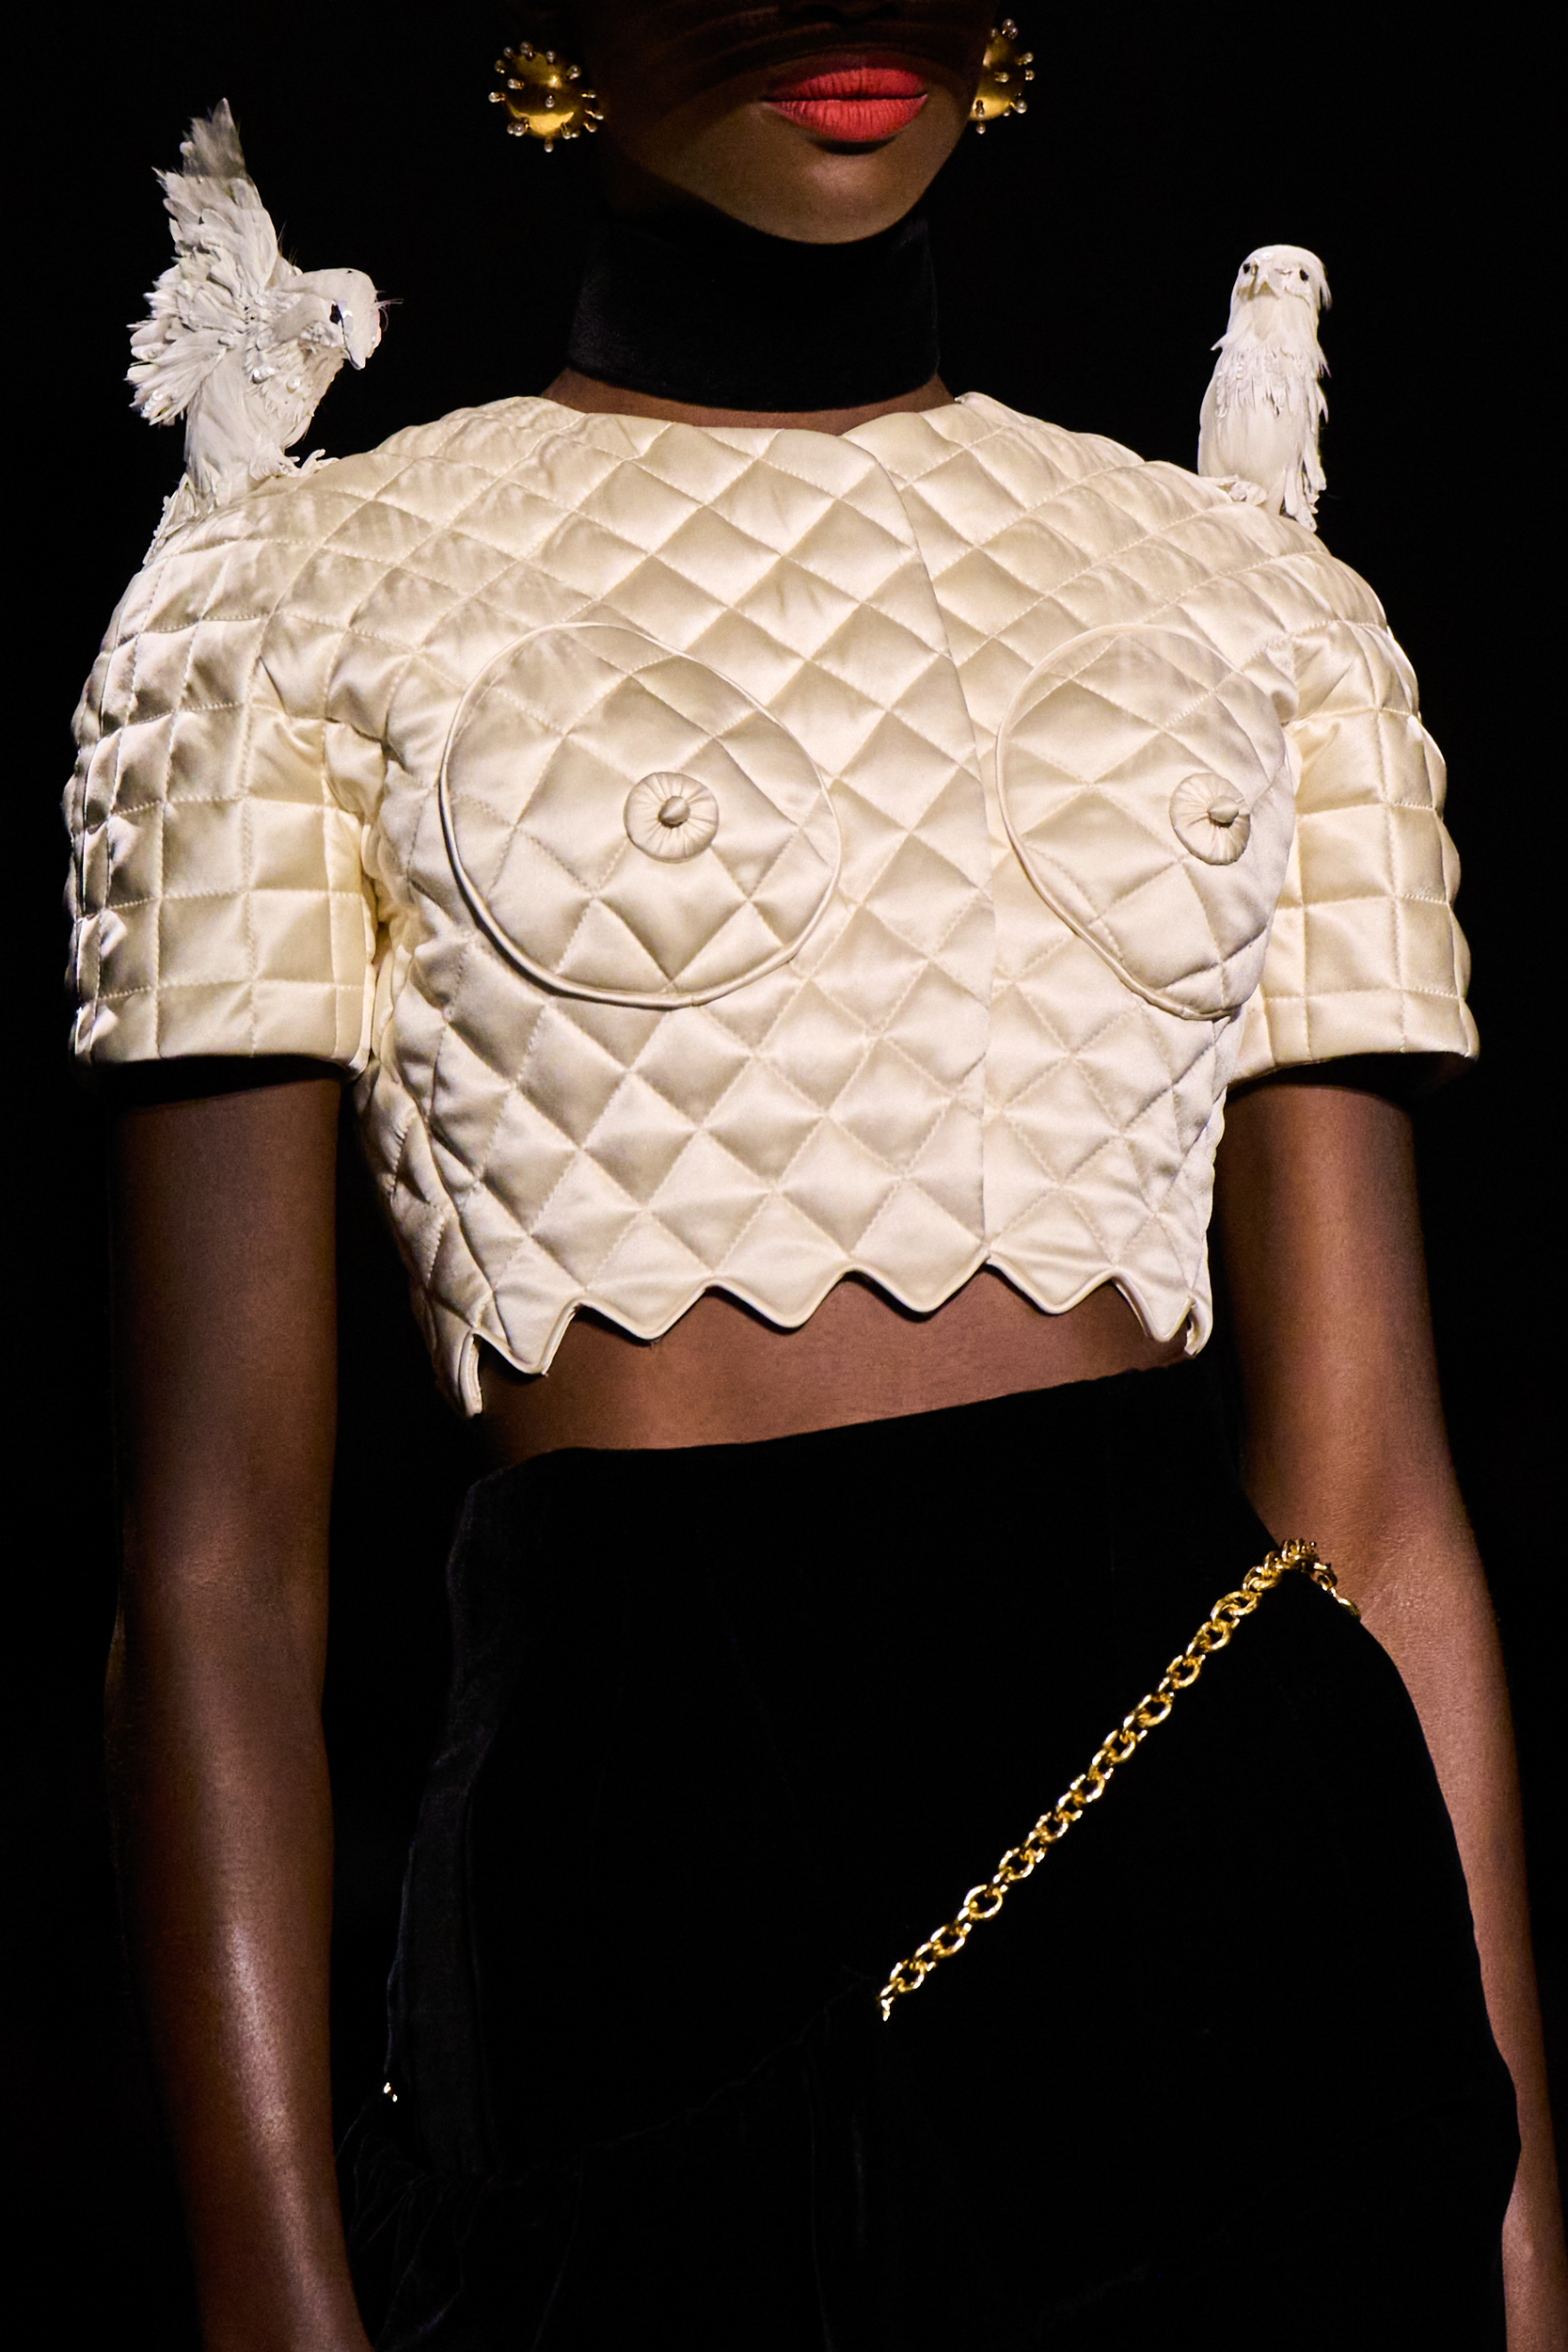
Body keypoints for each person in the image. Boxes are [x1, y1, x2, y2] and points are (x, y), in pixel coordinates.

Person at [68, 5, 1566, 2345]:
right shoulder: (281, 605)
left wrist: (1516, 2241)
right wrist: (275, 2293)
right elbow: (216, 1565)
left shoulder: (1257, 603)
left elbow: (1374, 1500)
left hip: (1244, 1907)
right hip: (643, 1933)